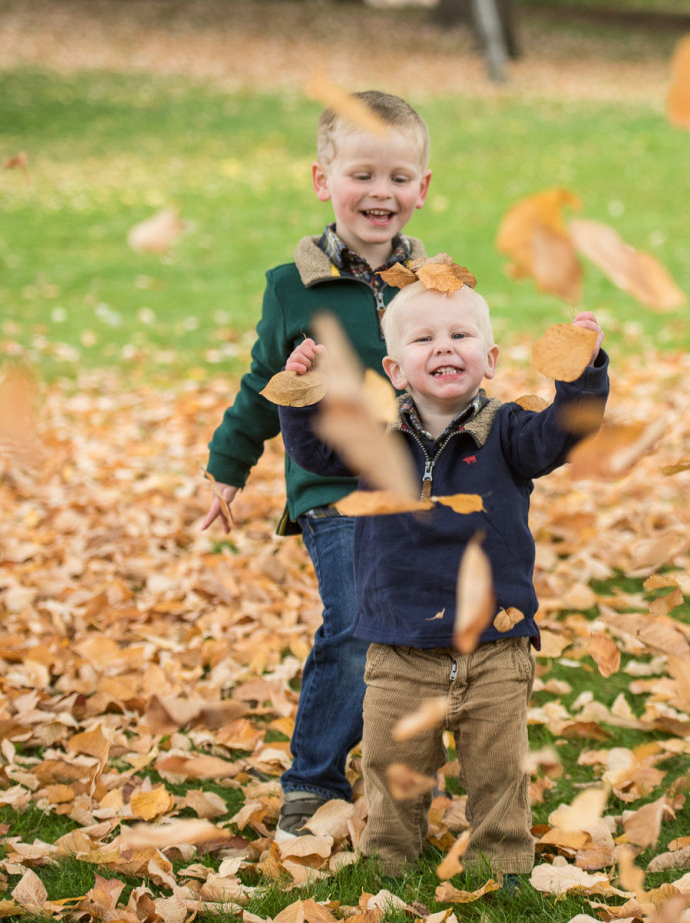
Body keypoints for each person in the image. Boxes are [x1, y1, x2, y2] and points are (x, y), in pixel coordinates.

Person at [276, 272, 609, 877]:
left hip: (495, 648)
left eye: (460, 334)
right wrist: (300, 392)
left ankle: (503, 869)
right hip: (399, 648)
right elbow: (318, 450)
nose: (444, 347)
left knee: (498, 773)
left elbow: (566, 431)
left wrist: (581, 372)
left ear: (489, 358)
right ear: (396, 369)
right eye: (424, 338)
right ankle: (389, 865)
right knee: (392, 773)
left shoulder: (509, 432)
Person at [202, 90, 433, 839]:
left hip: (414, 483)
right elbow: (261, 386)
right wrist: (227, 465)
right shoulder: (289, 288)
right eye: (362, 174)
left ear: (422, 189)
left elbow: (456, 376)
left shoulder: (436, 288)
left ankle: (398, 768)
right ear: (322, 179)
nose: (380, 192)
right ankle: (311, 780)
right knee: (355, 622)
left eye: (399, 177)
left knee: (411, 627)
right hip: (332, 485)